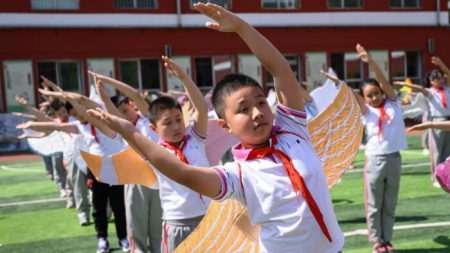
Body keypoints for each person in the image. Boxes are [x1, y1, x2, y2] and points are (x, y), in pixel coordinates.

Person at [87, 3, 344, 253]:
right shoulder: (237, 174)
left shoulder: (293, 131)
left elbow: (280, 69)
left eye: (261, 103)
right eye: (243, 109)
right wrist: (127, 131)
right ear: (225, 125)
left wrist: (241, 28)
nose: (257, 113)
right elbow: (181, 172)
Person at [91, 72, 163, 253]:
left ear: (131, 105)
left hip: (160, 176)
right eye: (120, 113)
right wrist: (106, 99)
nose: (126, 115)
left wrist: (107, 80)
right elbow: (114, 115)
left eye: (126, 110)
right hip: (135, 178)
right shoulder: (123, 127)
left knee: (158, 225)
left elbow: (136, 94)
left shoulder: (148, 118)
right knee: (136, 225)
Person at [149, 56, 210, 253]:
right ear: (153, 128)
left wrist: (184, 77)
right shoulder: (155, 152)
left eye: (178, 119)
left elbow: (201, 106)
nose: (176, 126)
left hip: (209, 217)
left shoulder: (195, 139)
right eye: (167, 123)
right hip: (176, 221)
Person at [354, 44, 407, 253]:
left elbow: (384, 81)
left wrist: (371, 62)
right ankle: (377, 241)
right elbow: (353, 97)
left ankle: (387, 239)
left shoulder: (393, 103)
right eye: (370, 95)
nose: (375, 97)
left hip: (394, 158)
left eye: (377, 93)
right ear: (365, 98)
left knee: (390, 202)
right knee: (374, 203)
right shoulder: (366, 112)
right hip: (375, 159)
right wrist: (336, 84)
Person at [394, 57, 450, 183]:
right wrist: (405, 85)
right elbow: (419, 88)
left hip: (448, 121)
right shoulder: (430, 92)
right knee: (436, 151)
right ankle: (436, 177)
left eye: (441, 78)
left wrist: (441, 64)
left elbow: (449, 74)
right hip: (437, 121)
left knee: (447, 152)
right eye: (437, 79)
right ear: (432, 81)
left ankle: (447, 177)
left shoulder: (447, 89)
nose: (440, 80)